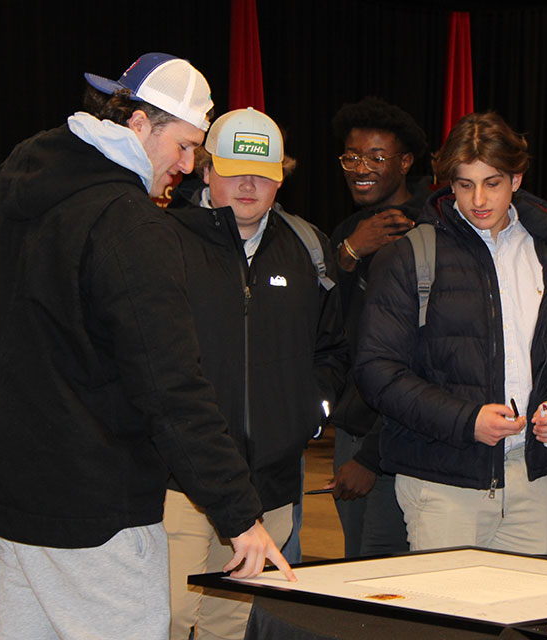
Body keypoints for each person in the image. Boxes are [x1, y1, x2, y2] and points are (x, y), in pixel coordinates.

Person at [0, 53, 294, 640]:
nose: (188, 167)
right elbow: (170, 388)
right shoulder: (128, 223)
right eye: (186, 145)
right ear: (139, 124)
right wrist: (239, 514)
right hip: (95, 509)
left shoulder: (7, 202)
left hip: (13, 501)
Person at [354, 111, 547, 554]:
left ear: (517, 180)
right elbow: (377, 371)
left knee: (531, 620)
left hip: (530, 481)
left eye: (493, 182)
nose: (478, 198)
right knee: (450, 622)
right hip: (442, 486)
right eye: (464, 184)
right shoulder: (410, 255)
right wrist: (466, 421)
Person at [163, 107, 348, 639]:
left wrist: (307, 415)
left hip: (270, 483)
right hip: (180, 482)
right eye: (234, 168)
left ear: (280, 176)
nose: (248, 183)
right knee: (170, 617)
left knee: (232, 621)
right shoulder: (164, 240)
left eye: (263, 171)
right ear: (204, 168)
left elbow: (332, 348)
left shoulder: (308, 248)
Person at [325, 96, 430, 557]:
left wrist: (371, 456)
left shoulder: (428, 231)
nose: (360, 167)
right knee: (354, 565)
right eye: (351, 156)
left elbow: (420, 360)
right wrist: (350, 250)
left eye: (376, 157)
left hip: (398, 439)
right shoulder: (348, 230)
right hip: (351, 429)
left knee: (383, 572)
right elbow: (326, 325)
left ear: (405, 162)